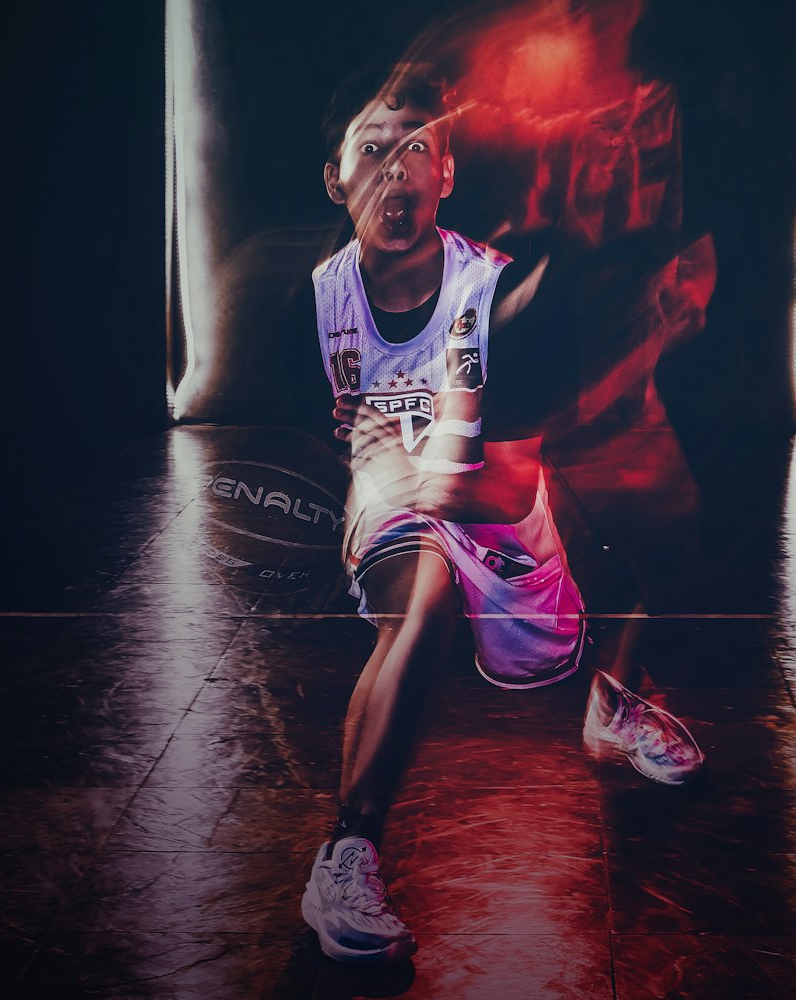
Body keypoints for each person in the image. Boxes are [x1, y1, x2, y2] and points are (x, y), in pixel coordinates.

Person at [293, 63, 704, 966]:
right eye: (372, 151)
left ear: (446, 176)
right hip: (408, 511)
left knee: (654, 562)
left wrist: (408, 465)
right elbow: (359, 431)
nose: (392, 172)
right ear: (336, 177)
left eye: (415, 153)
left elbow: (488, 475)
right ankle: (349, 852)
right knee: (418, 599)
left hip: (495, 509)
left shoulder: (494, 298)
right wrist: (377, 467)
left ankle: (615, 701)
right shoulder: (325, 291)